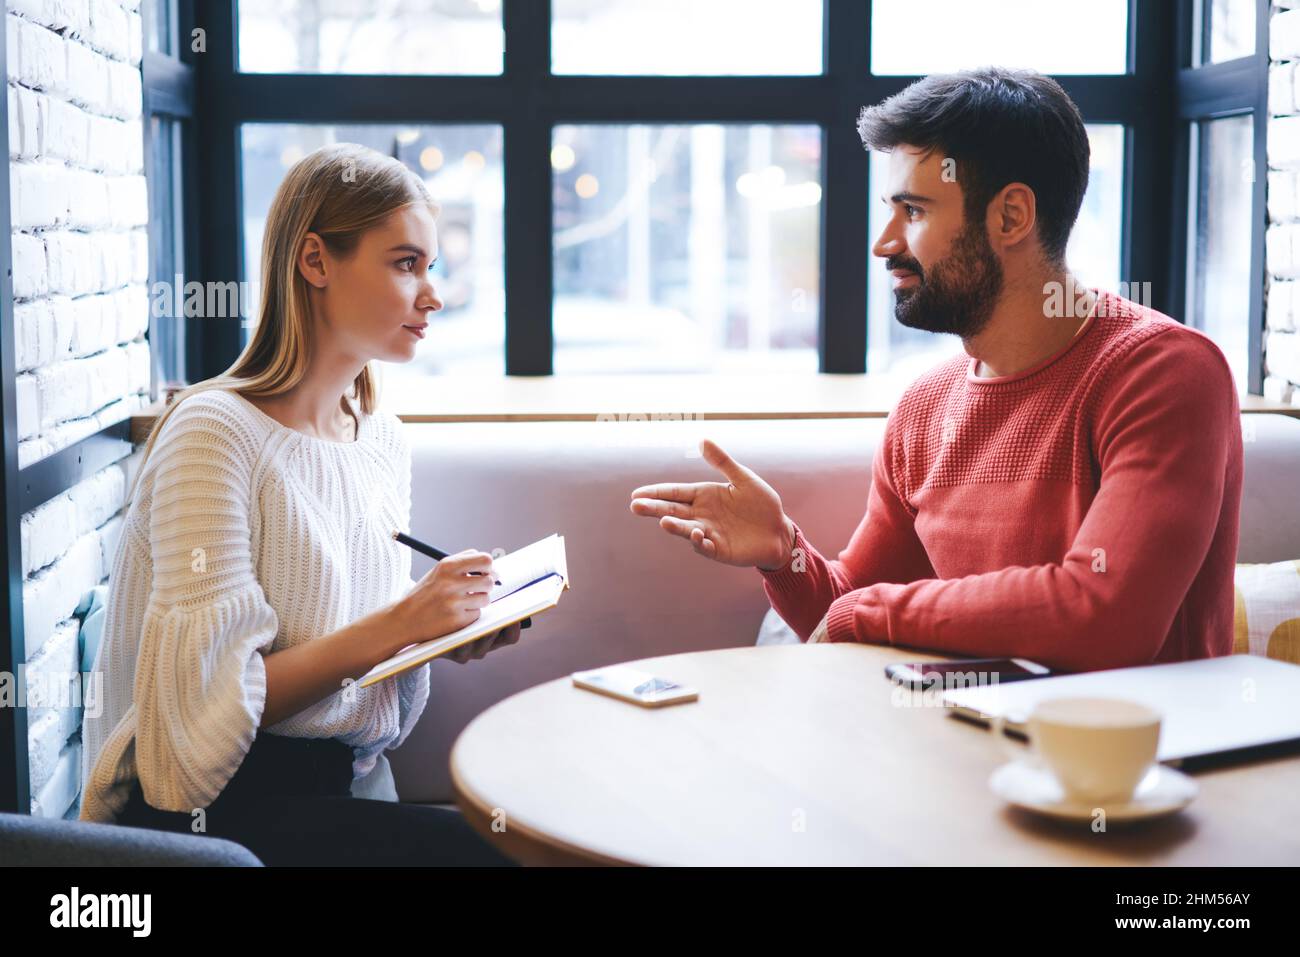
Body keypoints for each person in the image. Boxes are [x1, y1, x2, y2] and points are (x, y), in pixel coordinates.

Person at [629, 67, 1243, 674]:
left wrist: (875, 612)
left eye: (914, 212)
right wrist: (784, 554)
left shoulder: (1165, 375)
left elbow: (1108, 612)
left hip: (1138, 765)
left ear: (1010, 217)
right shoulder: (925, 406)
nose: (884, 243)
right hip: (971, 751)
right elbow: (848, 612)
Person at [79, 143, 516, 865]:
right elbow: (201, 721)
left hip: (334, 785)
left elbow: (338, 626)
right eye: (406, 264)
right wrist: (403, 620)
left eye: (430, 268)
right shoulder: (213, 432)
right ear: (315, 261)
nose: (432, 295)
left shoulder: (379, 438)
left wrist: (445, 625)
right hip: (213, 810)